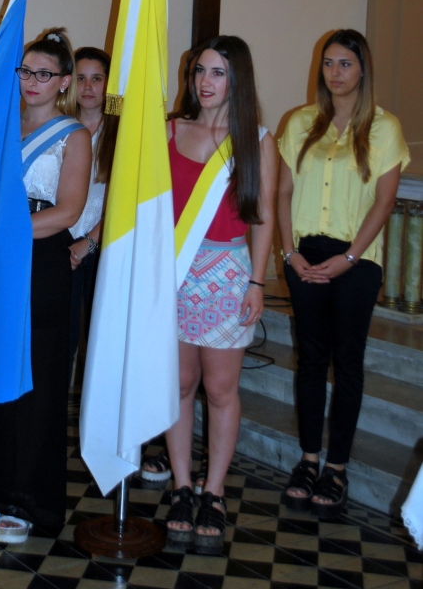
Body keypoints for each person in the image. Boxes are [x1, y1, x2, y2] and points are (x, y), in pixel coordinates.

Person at [0, 29, 91, 541]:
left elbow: (70, 211)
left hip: (37, 260)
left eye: (45, 74)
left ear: (64, 82)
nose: (32, 81)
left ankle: (26, 501)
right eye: (25, 71)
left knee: (35, 383)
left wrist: (3, 231)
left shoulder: (73, 135)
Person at [278, 30, 410, 519]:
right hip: (304, 257)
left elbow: (384, 200)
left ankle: (337, 467)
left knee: (347, 363)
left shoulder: (383, 127)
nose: (335, 73)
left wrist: (351, 257)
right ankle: (308, 460)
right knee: (310, 361)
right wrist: (289, 252)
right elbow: (284, 192)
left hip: (356, 262)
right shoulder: (300, 123)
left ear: (362, 70)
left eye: (345, 64)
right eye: (329, 64)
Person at [163, 36, 277, 553]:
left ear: (238, 80)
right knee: (180, 383)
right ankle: (182, 485)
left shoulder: (256, 139)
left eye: (217, 74)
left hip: (227, 271)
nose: (205, 83)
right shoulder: (171, 129)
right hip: (174, 270)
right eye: (200, 72)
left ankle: (214, 491)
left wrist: (257, 281)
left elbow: (264, 216)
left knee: (221, 389)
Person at [67, 47, 119, 380]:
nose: (88, 87)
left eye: (97, 79)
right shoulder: (58, 127)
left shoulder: (123, 133)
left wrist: (90, 241)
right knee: (63, 338)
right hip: (61, 244)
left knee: (103, 341)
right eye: (81, 78)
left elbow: (124, 198)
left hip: (105, 246)